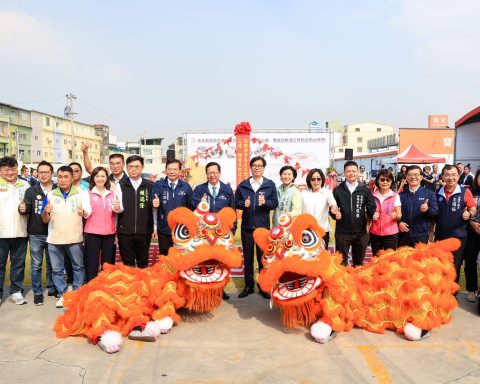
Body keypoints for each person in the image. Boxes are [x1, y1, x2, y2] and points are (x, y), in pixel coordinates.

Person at [41, 165, 85, 308]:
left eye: (66, 177)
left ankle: (77, 293)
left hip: (75, 238)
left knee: (78, 267)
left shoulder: (81, 194)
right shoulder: (50, 195)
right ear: (56, 178)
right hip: (55, 238)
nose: (63, 180)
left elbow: (88, 214)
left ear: (72, 178)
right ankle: (62, 293)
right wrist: (46, 212)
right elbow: (44, 220)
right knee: (57, 269)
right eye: (60, 177)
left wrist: (83, 212)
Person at [235, 156, 278, 299]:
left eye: (259, 165)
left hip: (262, 228)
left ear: (264, 168)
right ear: (250, 167)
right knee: (247, 257)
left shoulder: (270, 185)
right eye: (254, 165)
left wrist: (265, 202)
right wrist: (243, 204)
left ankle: (263, 286)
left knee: (262, 258)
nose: (257, 168)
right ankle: (249, 286)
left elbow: (274, 204)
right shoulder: (243, 185)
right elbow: (236, 203)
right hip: (247, 227)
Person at [192, 161, 236, 300]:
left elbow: (232, 212)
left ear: (219, 173)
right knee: (205, 262)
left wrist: (231, 231)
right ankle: (206, 290)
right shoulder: (199, 189)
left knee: (220, 262)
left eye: (215, 172)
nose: (212, 175)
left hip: (222, 235)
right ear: (206, 174)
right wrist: (200, 202)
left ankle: (220, 290)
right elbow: (194, 208)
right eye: (209, 173)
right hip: (204, 234)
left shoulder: (227, 190)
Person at [435, 164, 477, 291]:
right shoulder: (437, 192)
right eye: (447, 175)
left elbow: (473, 209)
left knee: (455, 266)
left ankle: (452, 294)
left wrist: (469, 214)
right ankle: (441, 291)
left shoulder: (465, 191)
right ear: (442, 176)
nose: (450, 178)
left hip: (458, 236)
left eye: (454, 174)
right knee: (441, 265)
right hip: (440, 236)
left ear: (459, 176)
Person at [20, 160, 56, 305]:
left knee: (53, 263)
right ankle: (37, 291)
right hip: (36, 233)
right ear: (37, 173)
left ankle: (52, 287)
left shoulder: (58, 189)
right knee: (36, 264)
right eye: (40, 172)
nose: (43, 175)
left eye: (46, 172)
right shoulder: (31, 190)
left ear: (52, 173)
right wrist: (21, 209)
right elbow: (26, 208)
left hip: (54, 232)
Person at [332, 161, 376, 266]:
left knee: (358, 264)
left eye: (353, 171)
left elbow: (371, 206)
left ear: (358, 172)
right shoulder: (338, 190)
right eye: (348, 171)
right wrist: (334, 215)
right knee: (341, 263)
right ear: (344, 173)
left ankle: (356, 282)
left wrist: (372, 213)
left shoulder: (365, 190)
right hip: (342, 232)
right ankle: (341, 282)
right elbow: (332, 208)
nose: (351, 173)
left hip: (360, 232)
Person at [115, 155, 155, 268]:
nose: (134, 169)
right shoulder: (121, 185)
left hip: (144, 231)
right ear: (126, 168)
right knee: (128, 265)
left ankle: (142, 285)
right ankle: (129, 285)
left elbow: (154, 210)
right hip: (125, 232)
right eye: (131, 166)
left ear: (142, 167)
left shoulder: (150, 186)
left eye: (137, 166)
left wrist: (155, 227)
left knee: (143, 262)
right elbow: (117, 209)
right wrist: (116, 207)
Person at [0, 156, 30, 305]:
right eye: (6, 169)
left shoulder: (24, 185)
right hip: (1, 232)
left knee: (18, 263)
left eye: (13, 168)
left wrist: (27, 209)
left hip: (20, 231)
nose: (10, 172)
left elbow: (30, 206)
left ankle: (16, 291)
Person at [81, 166, 120, 282]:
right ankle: (91, 287)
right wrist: (84, 212)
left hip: (109, 233)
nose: (100, 179)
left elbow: (116, 213)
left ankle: (105, 287)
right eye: (97, 176)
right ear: (93, 178)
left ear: (107, 178)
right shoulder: (87, 193)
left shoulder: (112, 194)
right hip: (92, 233)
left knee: (107, 264)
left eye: (103, 176)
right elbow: (87, 213)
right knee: (92, 263)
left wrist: (117, 208)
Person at [152, 159, 194, 256]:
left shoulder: (186, 187)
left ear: (179, 171)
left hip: (181, 230)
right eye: (169, 169)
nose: (172, 172)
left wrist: (201, 204)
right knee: (165, 257)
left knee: (180, 257)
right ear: (165, 170)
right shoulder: (159, 185)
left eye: (175, 169)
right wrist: (154, 202)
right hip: (164, 228)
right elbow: (152, 201)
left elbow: (191, 206)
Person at [398, 165, 438, 247]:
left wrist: (427, 210)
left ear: (421, 177)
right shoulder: (400, 195)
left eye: (416, 174)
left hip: (421, 235)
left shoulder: (429, 193)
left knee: (420, 259)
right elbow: (394, 212)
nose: (413, 177)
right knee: (403, 259)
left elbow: (435, 212)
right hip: (403, 234)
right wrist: (399, 222)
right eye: (410, 174)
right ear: (406, 177)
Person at [301, 168, 337, 248]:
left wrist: (333, 208)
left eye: (318, 179)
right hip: (306, 231)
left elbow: (332, 203)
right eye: (313, 179)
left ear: (322, 180)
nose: (316, 181)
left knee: (321, 257)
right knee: (307, 257)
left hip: (322, 231)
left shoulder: (327, 192)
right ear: (309, 180)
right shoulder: (303, 193)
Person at [369, 169, 402, 256]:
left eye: (388, 180)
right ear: (377, 181)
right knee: (376, 259)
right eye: (382, 179)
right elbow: (367, 213)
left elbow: (399, 215)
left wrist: (396, 215)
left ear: (391, 182)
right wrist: (371, 214)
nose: (385, 182)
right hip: (375, 233)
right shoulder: (372, 196)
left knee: (390, 259)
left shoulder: (395, 196)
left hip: (390, 234)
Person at [464, 168, 480, 302]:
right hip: (472, 231)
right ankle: (471, 289)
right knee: (470, 261)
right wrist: (472, 223)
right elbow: (465, 211)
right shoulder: (470, 192)